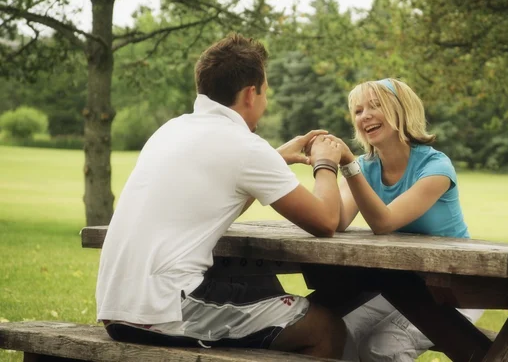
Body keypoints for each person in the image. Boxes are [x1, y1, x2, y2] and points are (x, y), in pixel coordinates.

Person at [95, 34, 346, 359]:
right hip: (167, 308)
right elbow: (325, 221)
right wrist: (327, 160)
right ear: (250, 94)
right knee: (326, 328)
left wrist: (276, 157)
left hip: (119, 307)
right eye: (265, 93)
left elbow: (216, 200)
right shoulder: (244, 145)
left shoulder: (171, 130)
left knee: (265, 292)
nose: (265, 102)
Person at [328, 78, 483, 362]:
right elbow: (336, 221)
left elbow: (384, 222)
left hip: (456, 290)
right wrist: (324, 165)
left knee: (384, 347)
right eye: (359, 111)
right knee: (340, 333)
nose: (366, 116)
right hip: (404, 288)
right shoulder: (364, 167)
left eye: (376, 106)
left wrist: (349, 167)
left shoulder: (436, 167)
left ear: (403, 111)